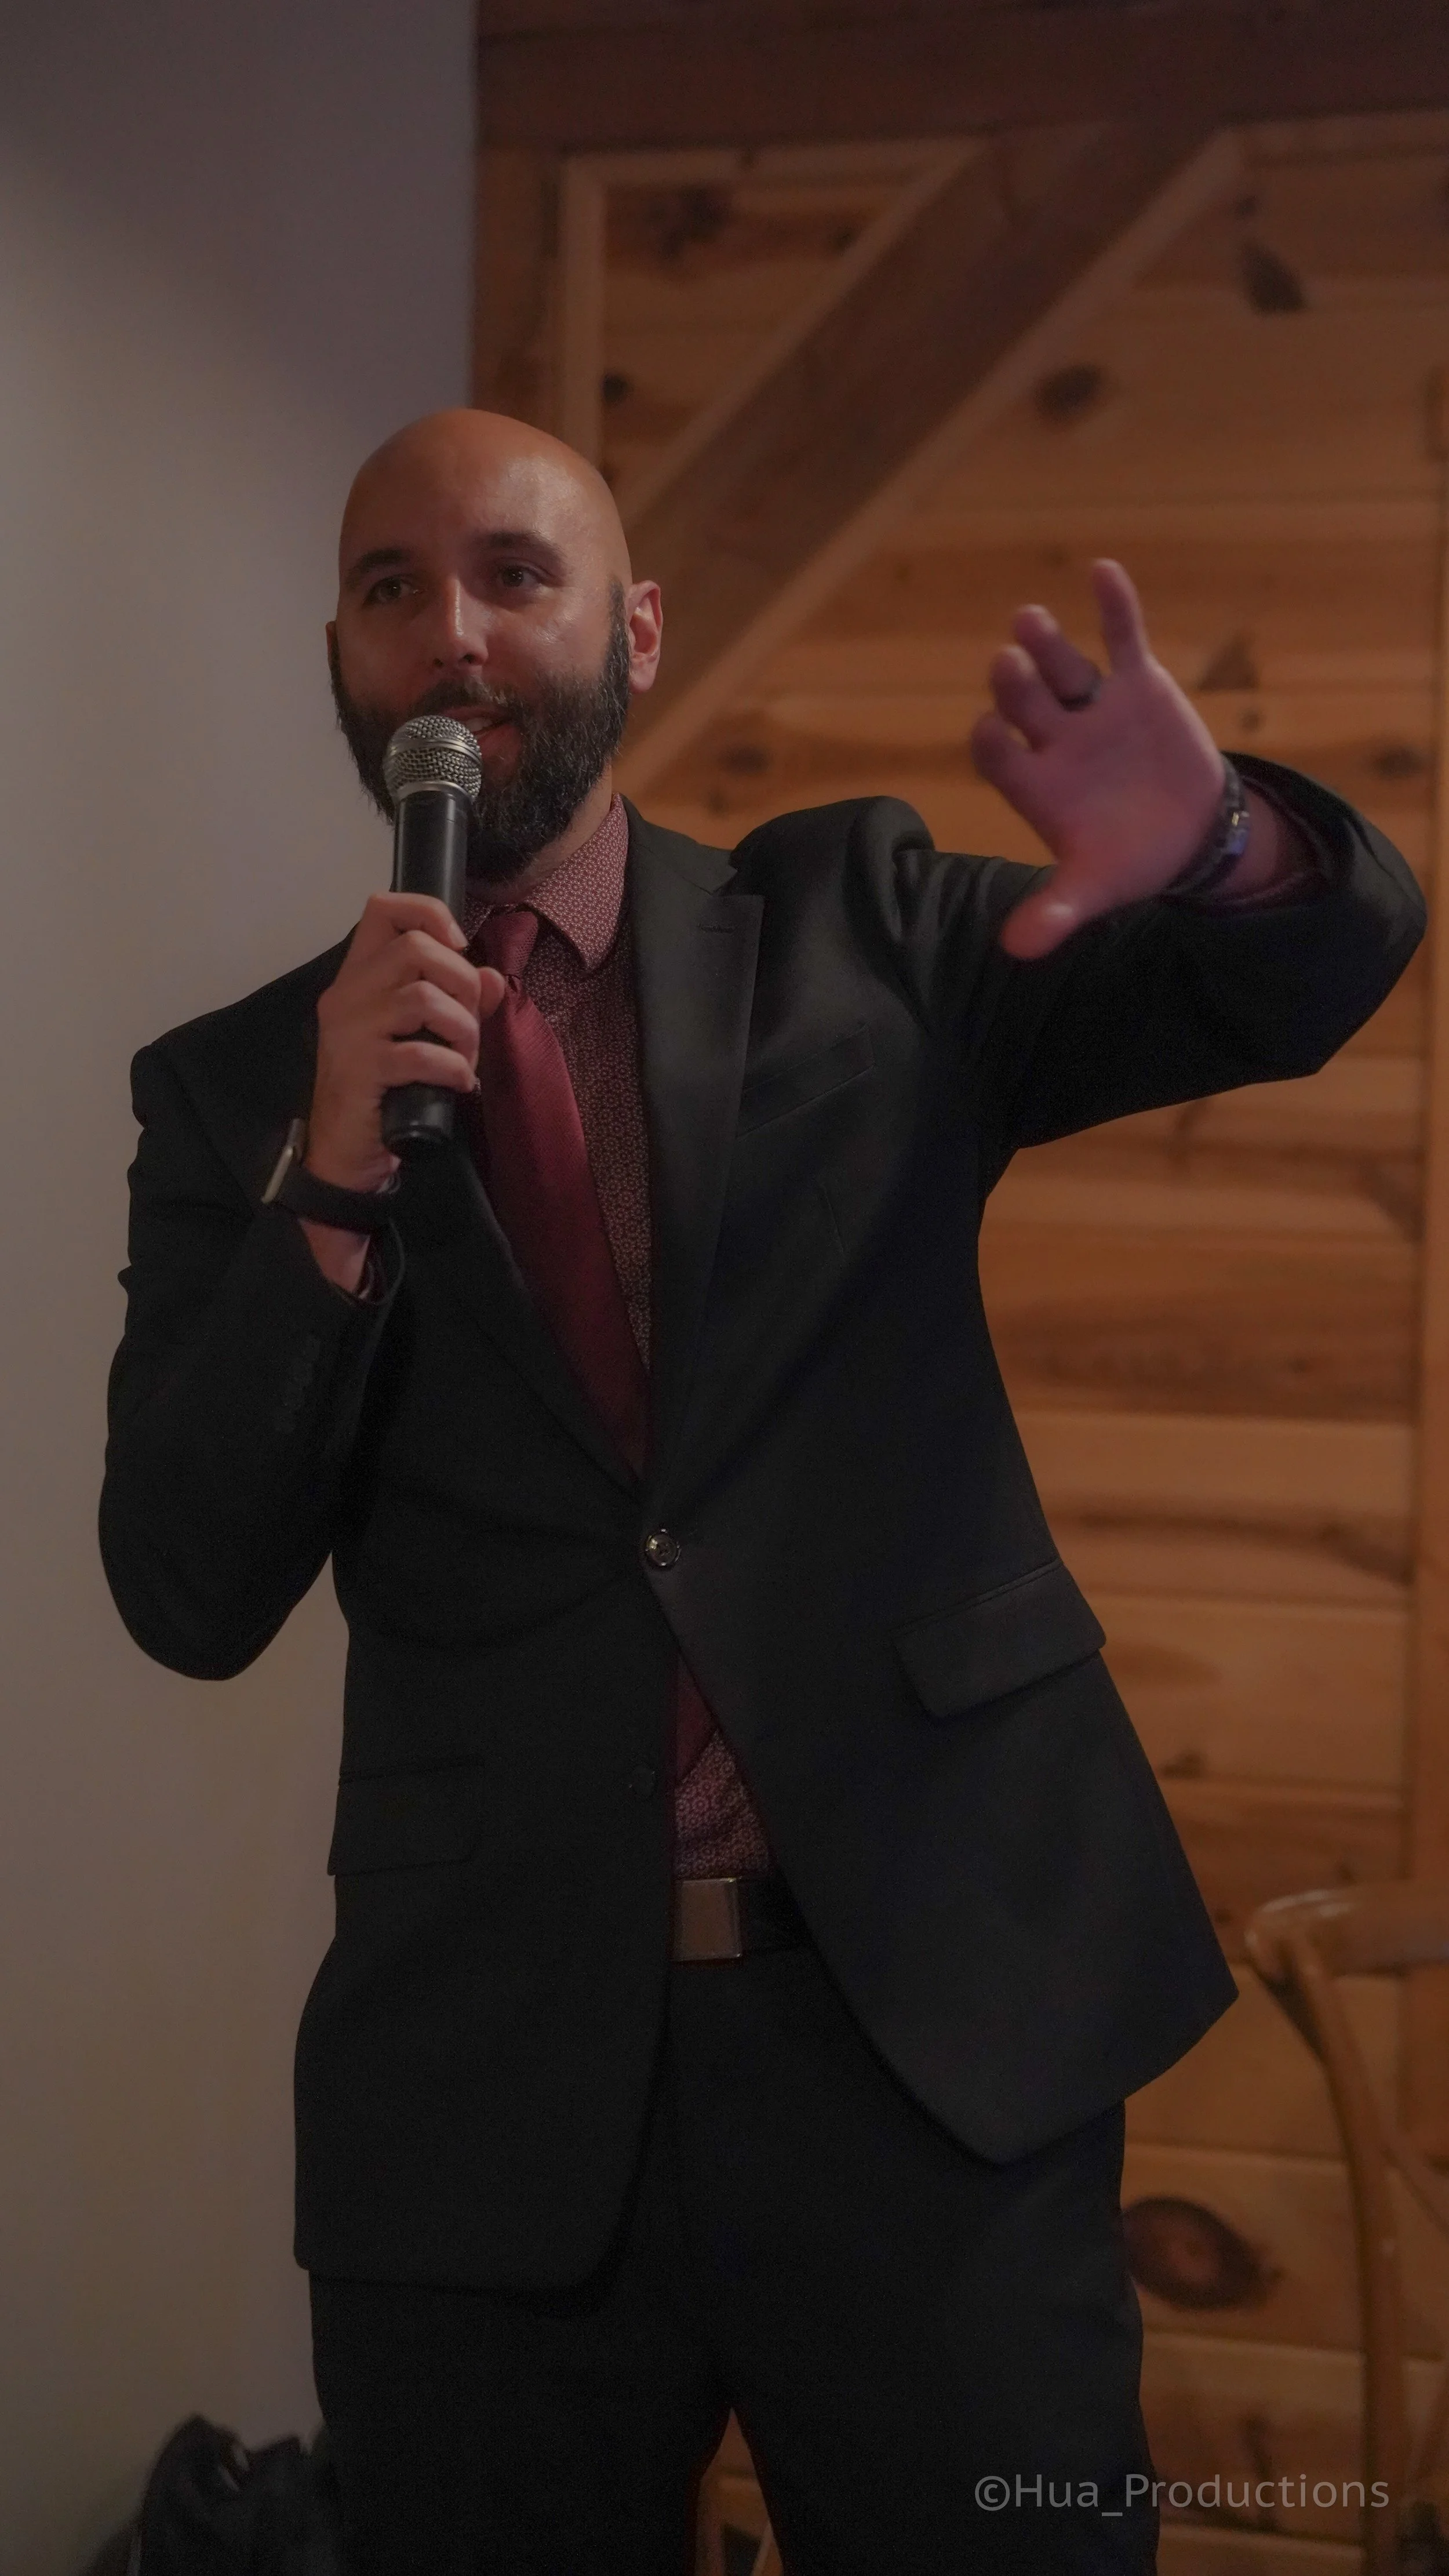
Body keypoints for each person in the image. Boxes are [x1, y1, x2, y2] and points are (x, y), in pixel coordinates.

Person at [100, 409, 1423, 2575]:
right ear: (342, 663)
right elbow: (180, 1583)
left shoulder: (862, 927)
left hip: (923, 2040)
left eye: (514, 577)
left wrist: (1213, 856)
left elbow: (1307, 980)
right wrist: (330, 1182)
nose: (454, 634)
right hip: (492, 2095)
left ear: (629, 631)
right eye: (391, 590)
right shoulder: (241, 1093)